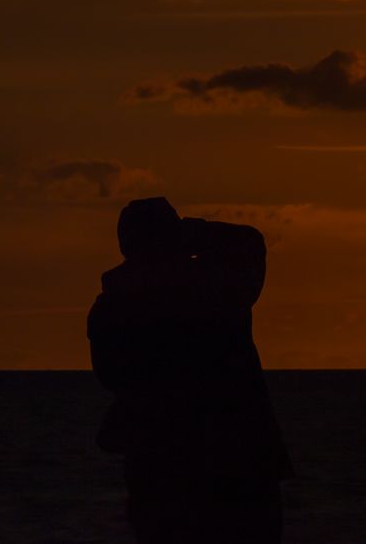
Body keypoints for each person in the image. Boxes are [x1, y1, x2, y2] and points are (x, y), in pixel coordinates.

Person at [88, 197, 291, 544]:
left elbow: (110, 376)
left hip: (162, 470)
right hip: (238, 465)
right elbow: (249, 243)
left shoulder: (114, 307)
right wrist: (192, 231)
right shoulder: (217, 289)